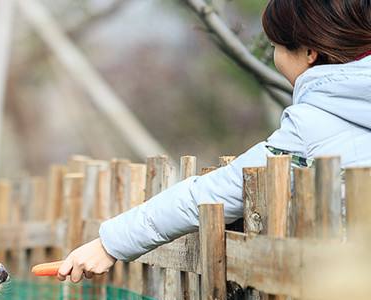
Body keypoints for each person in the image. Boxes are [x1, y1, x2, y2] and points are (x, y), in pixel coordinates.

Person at [58, 0, 371, 283]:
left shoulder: (311, 126)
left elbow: (207, 196)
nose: (275, 57)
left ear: (309, 52)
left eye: (277, 46)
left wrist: (109, 244)